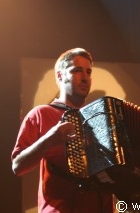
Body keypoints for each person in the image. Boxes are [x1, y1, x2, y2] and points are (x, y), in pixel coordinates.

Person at [11, 48, 114, 213]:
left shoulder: (101, 120)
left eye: (88, 72)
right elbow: (18, 166)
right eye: (77, 71)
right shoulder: (41, 113)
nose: (85, 77)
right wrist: (49, 139)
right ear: (59, 76)